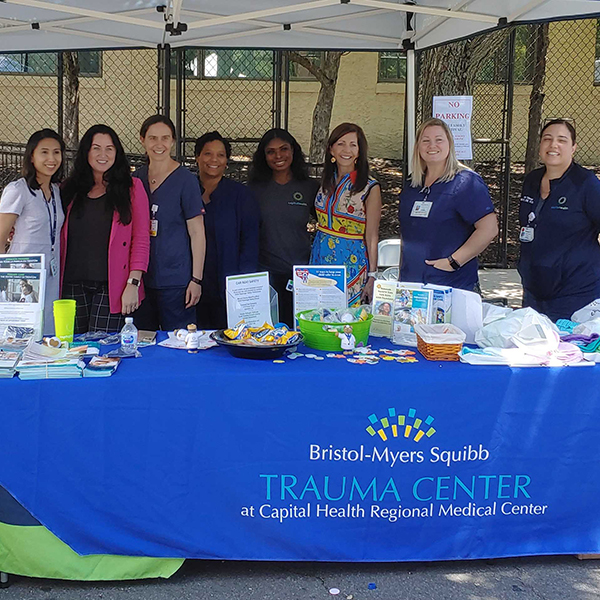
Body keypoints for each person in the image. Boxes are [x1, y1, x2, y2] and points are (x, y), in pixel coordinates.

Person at [60, 124, 150, 333]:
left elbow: (141, 238)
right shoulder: (68, 189)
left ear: (117, 153)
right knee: (72, 351)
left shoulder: (132, 187)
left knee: (102, 351)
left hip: (112, 286)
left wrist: (133, 284)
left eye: (109, 148)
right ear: (86, 152)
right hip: (71, 284)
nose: (103, 154)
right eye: (96, 148)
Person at [398, 118, 498, 291]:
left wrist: (453, 262)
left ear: (450, 144)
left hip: (451, 284)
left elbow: (489, 229)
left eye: (439, 140)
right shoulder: (413, 184)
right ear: (418, 146)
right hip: (412, 284)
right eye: (426, 140)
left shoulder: (465, 182)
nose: (432, 145)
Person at [518, 119, 600, 322]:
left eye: (561, 140)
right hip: (534, 291)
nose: (553, 145)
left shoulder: (585, 183)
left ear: (573, 148)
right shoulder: (532, 180)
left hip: (576, 293)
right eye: (547, 139)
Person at [134, 115, 206, 331]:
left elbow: (197, 233)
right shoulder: (136, 179)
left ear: (173, 141)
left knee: (179, 343)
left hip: (176, 281)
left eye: (165, 138)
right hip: (142, 281)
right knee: (143, 343)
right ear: (142, 140)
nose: (159, 144)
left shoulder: (185, 180)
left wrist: (196, 279)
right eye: (153, 138)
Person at [249, 128, 319, 326]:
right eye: (270, 151)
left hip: (302, 276)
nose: (278, 155)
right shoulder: (254, 189)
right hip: (266, 275)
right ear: (263, 156)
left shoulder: (309, 187)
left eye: (283, 149)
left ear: (293, 151)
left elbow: (328, 224)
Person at [0, 129, 65, 334]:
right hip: (23, 277)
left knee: (47, 334)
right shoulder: (18, 189)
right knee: (20, 336)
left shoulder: (55, 191)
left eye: (56, 152)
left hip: (51, 275)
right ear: (32, 156)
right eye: (44, 152)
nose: (51, 159)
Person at [310, 123, 382, 306]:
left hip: (351, 261)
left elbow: (372, 235)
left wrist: (373, 276)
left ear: (359, 151)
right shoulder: (326, 181)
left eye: (353, 144)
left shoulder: (369, 187)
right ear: (331, 149)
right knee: (319, 316)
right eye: (341, 143)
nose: (346, 150)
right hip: (320, 257)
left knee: (347, 320)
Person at [194, 131, 259, 329]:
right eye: (207, 154)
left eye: (221, 155)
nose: (214, 160)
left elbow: (250, 240)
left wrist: (243, 284)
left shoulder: (241, 195)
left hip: (229, 284)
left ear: (227, 161)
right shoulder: (186, 189)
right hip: (191, 284)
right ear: (197, 157)